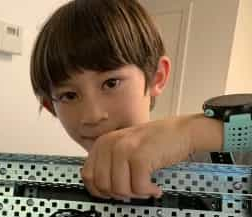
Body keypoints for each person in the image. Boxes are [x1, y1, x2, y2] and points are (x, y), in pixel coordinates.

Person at [30, 0, 225, 201]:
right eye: (69, 95)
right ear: (50, 106)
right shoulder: (57, 193)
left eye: (111, 83)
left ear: (157, 76)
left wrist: (191, 132)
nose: (93, 115)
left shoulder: (215, 160)